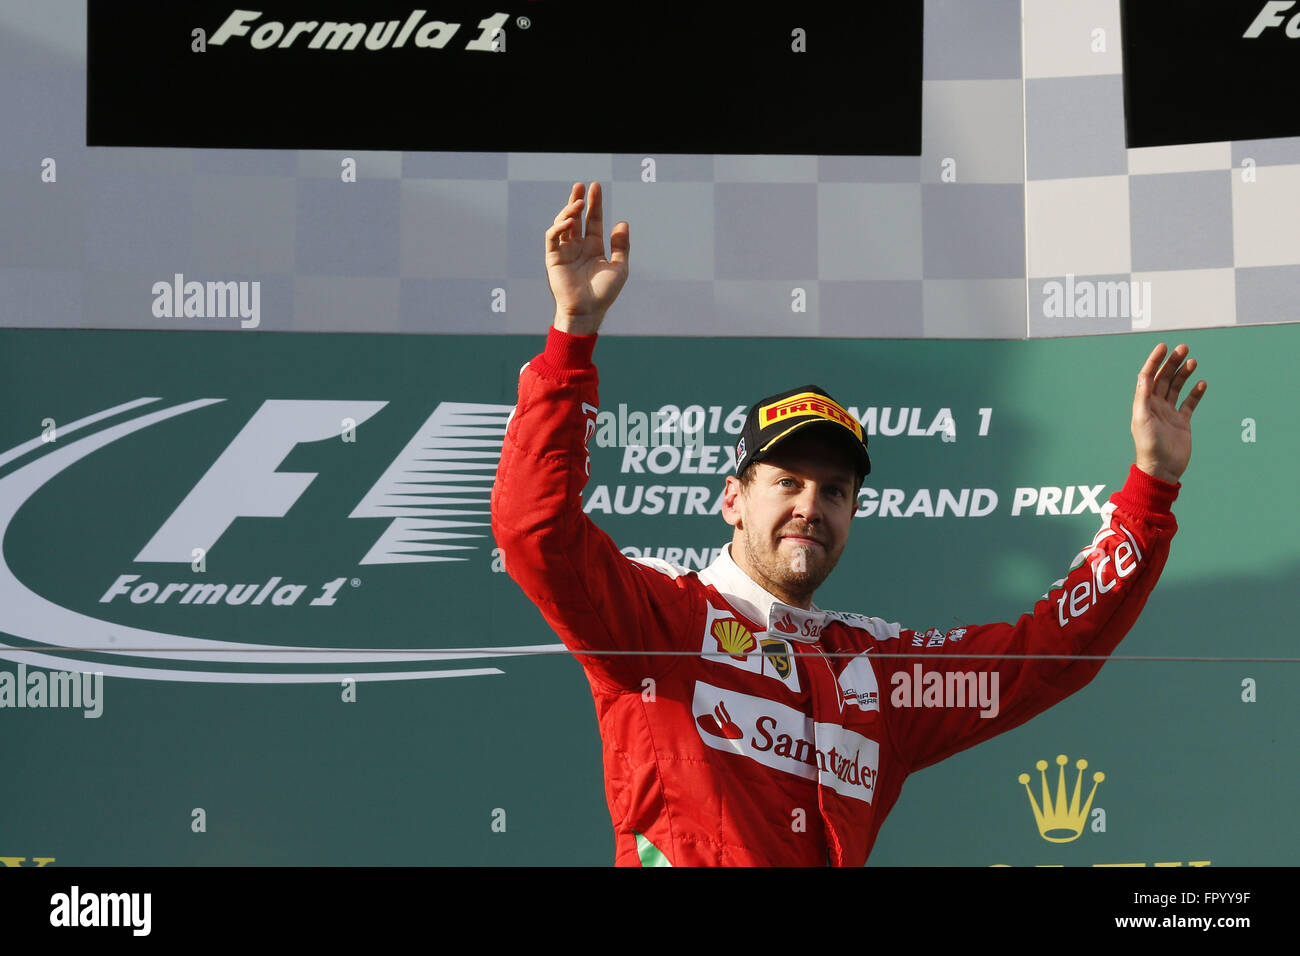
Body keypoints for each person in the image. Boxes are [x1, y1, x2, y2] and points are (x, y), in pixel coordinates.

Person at [490, 181, 1208, 866]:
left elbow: (1045, 656)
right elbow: (537, 529)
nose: (811, 506)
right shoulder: (658, 621)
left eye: (834, 491)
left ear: (853, 513)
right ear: (732, 500)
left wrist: (1153, 486)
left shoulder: (880, 675)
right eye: (787, 483)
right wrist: (572, 338)